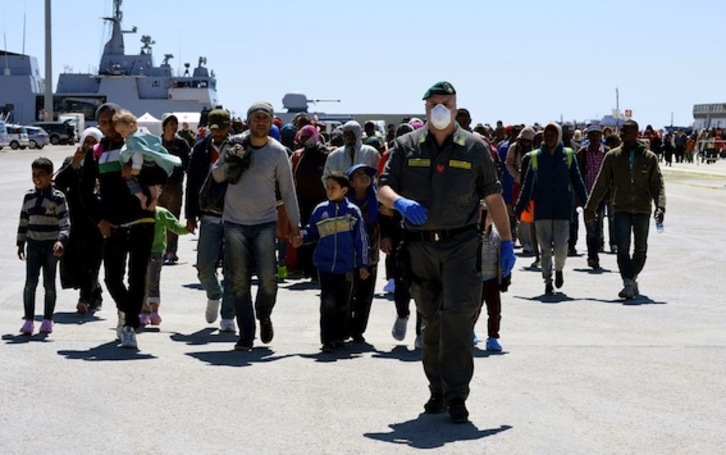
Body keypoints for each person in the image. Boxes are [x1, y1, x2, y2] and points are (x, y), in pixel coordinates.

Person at [377, 81, 516, 424]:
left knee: (456, 316)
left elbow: (494, 196)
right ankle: (436, 389)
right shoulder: (406, 145)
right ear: (425, 107)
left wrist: (508, 239)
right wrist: (400, 202)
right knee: (432, 321)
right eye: (435, 102)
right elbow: (383, 186)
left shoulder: (474, 147)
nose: (441, 107)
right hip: (420, 246)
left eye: (447, 102)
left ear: (456, 106)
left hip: (461, 246)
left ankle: (457, 396)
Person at [211, 102, 302, 351]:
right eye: (256, 118)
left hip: (264, 223)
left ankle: (264, 314)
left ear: (271, 122)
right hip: (234, 223)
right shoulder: (233, 144)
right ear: (249, 121)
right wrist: (233, 161)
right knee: (238, 281)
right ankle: (246, 334)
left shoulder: (278, 152)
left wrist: (296, 226)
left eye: (265, 118)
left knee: (268, 280)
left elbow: (288, 191)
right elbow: (217, 175)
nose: (260, 122)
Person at [80, 103, 163, 349]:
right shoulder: (96, 151)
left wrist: (138, 171)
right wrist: (99, 220)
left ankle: (129, 328)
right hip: (113, 224)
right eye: (103, 122)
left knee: (137, 277)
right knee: (112, 279)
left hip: (142, 220)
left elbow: (163, 173)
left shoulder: (139, 143)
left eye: (111, 120)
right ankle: (128, 312)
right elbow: (84, 192)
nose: (108, 127)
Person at [584, 119, 666, 299]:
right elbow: (601, 183)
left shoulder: (649, 157)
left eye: (626, 131)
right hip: (620, 208)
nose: (622, 134)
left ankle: (631, 277)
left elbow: (657, 185)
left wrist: (660, 207)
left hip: (643, 209)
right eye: (621, 131)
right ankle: (628, 283)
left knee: (641, 250)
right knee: (622, 248)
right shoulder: (612, 157)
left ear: (636, 133)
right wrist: (590, 206)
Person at [292, 172, 369, 353]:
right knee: (328, 302)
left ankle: (340, 336)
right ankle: (327, 340)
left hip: (346, 266)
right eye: (327, 187)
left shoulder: (352, 212)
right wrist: (301, 238)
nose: (329, 191)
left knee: (344, 302)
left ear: (344, 190)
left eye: (333, 188)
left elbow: (361, 240)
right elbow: (312, 232)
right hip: (325, 266)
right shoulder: (320, 210)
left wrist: (363, 264)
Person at [514, 123, 588, 296]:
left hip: (563, 209)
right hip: (542, 209)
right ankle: (548, 281)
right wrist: (519, 207)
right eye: (547, 134)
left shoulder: (568, 155)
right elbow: (527, 185)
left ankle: (559, 269)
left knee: (562, 247)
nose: (549, 137)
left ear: (559, 136)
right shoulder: (535, 157)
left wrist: (588, 204)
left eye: (553, 134)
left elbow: (577, 181)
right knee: (545, 248)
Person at [185, 109, 235, 332]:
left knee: (233, 271)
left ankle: (228, 316)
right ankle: (214, 295)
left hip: (236, 216)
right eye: (213, 129)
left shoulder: (238, 147)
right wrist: (190, 215)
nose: (217, 134)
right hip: (208, 215)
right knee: (204, 266)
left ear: (229, 126)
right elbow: (192, 182)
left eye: (221, 128)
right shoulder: (200, 148)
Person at [17, 158, 71, 335]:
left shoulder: (57, 198)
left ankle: (47, 319)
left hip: (50, 247)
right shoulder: (29, 197)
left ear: (50, 176)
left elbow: (65, 224)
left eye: (41, 175)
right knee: (30, 283)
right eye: (34, 175)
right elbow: (24, 221)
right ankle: (29, 320)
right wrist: (20, 243)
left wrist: (60, 240)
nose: (37, 178)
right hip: (33, 246)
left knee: (49, 284)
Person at [54, 127, 105, 315]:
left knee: (92, 260)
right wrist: (75, 163)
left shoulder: (104, 161)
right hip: (74, 217)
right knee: (73, 259)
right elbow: (59, 183)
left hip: (96, 219)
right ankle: (95, 292)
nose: (90, 146)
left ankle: (85, 297)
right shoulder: (71, 161)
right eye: (87, 142)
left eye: (94, 142)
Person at [140, 201, 192, 326]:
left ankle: (154, 311)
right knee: (141, 283)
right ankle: (144, 312)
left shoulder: (161, 213)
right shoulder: (137, 211)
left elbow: (175, 226)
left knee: (152, 281)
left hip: (156, 253)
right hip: (140, 252)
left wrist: (187, 229)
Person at [290, 124, 329, 281]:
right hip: (303, 201)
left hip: (322, 200)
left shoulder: (326, 154)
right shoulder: (299, 155)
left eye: (308, 137)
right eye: (303, 138)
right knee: (305, 234)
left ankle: (318, 270)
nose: (305, 140)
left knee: (321, 235)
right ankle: (306, 268)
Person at [346, 164, 379, 343]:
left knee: (365, 294)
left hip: (370, 253)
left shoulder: (377, 198)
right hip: (347, 254)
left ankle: (358, 330)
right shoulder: (343, 201)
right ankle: (344, 327)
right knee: (347, 293)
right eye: (358, 174)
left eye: (366, 174)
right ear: (350, 182)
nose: (364, 177)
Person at [158, 113, 191, 264]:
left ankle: (171, 250)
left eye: (175, 124)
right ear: (164, 125)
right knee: (159, 219)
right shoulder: (158, 143)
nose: (173, 126)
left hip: (175, 185)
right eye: (170, 123)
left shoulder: (182, 143)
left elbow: (187, 164)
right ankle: (160, 248)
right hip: (158, 185)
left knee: (172, 218)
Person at [576, 125, 610, 269]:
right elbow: (577, 175)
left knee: (599, 224)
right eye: (592, 135)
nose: (595, 137)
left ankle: (596, 248)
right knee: (590, 228)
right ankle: (592, 256)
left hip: (602, 196)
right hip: (586, 196)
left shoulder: (607, 153)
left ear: (601, 136)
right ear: (588, 136)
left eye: (597, 134)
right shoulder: (582, 153)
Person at [112, 110, 159, 210]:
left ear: (131, 126)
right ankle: (154, 198)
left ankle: (143, 197)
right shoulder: (144, 131)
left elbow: (137, 152)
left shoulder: (133, 138)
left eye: (122, 131)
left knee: (130, 180)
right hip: (151, 164)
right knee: (151, 183)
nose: (122, 135)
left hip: (142, 165)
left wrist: (136, 167)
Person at [322, 120, 380, 185]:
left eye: (350, 133)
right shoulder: (334, 155)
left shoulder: (371, 152)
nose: (347, 136)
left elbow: (378, 175)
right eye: (345, 133)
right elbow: (326, 177)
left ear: (357, 134)